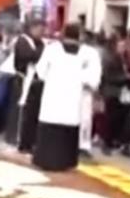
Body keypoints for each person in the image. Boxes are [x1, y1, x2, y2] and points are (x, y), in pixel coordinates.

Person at [31, 24, 100, 171]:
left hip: (53, 97)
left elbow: (41, 71)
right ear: (80, 36)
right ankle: (65, 162)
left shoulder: (52, 49)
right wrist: (79, 77)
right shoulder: (89, 53)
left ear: (63, 34)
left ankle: (45, 160)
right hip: (73, 99)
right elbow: (94, 77)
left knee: (50, 129)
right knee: (68, 130)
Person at [11, 19, 47, 150]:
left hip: (36, 83)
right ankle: (20, 140)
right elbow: (28, 55)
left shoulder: (41, 43)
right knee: (23, 113)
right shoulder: (22, 41)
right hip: (23, 80)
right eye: (39, 29)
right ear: (32, 28)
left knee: (33, 114)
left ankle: (30, 141)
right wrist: (41, 53)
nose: (41, 32)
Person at [78, 32, 103, 158]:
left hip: (86, 90)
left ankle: (84, 144)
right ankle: (77, 143)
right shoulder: (77, 51)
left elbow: (96, 71)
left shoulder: (93, 53)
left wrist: (93, 84)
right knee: (79, 118)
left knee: (86, 119)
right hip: (77, 88)